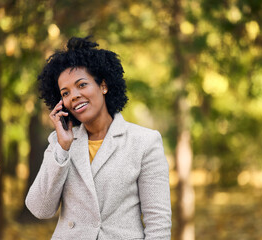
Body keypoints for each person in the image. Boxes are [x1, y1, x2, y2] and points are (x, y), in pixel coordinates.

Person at [25, 36, 172, 240]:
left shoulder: (144, 142)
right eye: (65, 93)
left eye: (82, 85)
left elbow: (158, 224)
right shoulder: (60, 142)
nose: (74, 95)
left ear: (103, 85)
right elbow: (40, 209)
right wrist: (62, 148)